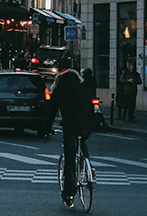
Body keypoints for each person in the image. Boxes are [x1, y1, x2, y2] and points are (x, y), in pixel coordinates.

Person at [48, 58, 95, 206]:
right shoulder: (83, 87)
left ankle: (69, 191)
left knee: (70, 157)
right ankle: (89, 168)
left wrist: (46, 128)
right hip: (87, 123)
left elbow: (51, 110)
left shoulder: (60, 89)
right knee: (82, 140)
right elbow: (91, 105)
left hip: (70, 124)